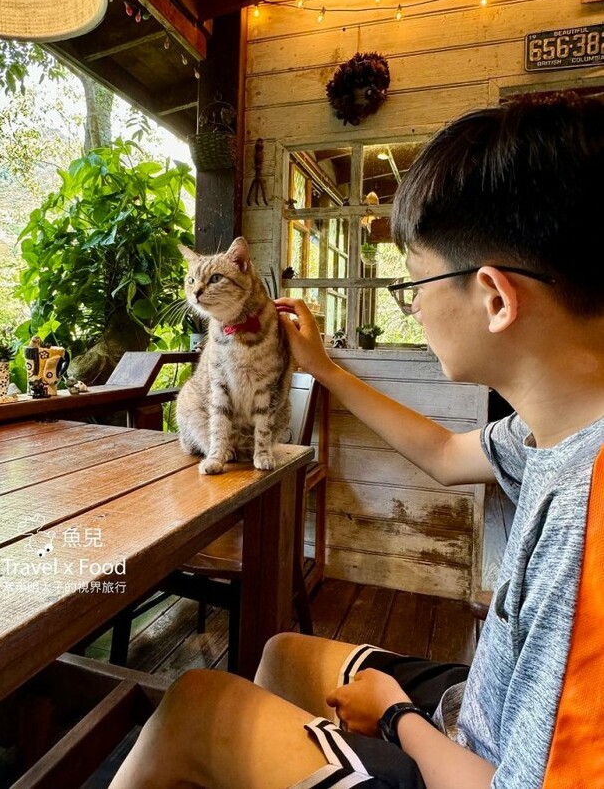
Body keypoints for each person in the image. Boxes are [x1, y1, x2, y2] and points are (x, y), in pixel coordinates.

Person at [108, 91, 604, 789]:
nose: (413, 306)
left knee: (194, 705)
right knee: (281, 652)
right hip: (480, 706)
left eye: (415, 284)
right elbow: (442, 454)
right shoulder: (553, 429)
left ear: (494, 298)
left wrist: (397, 715)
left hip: (477, 767)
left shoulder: (589, 525)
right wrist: (323, 369)